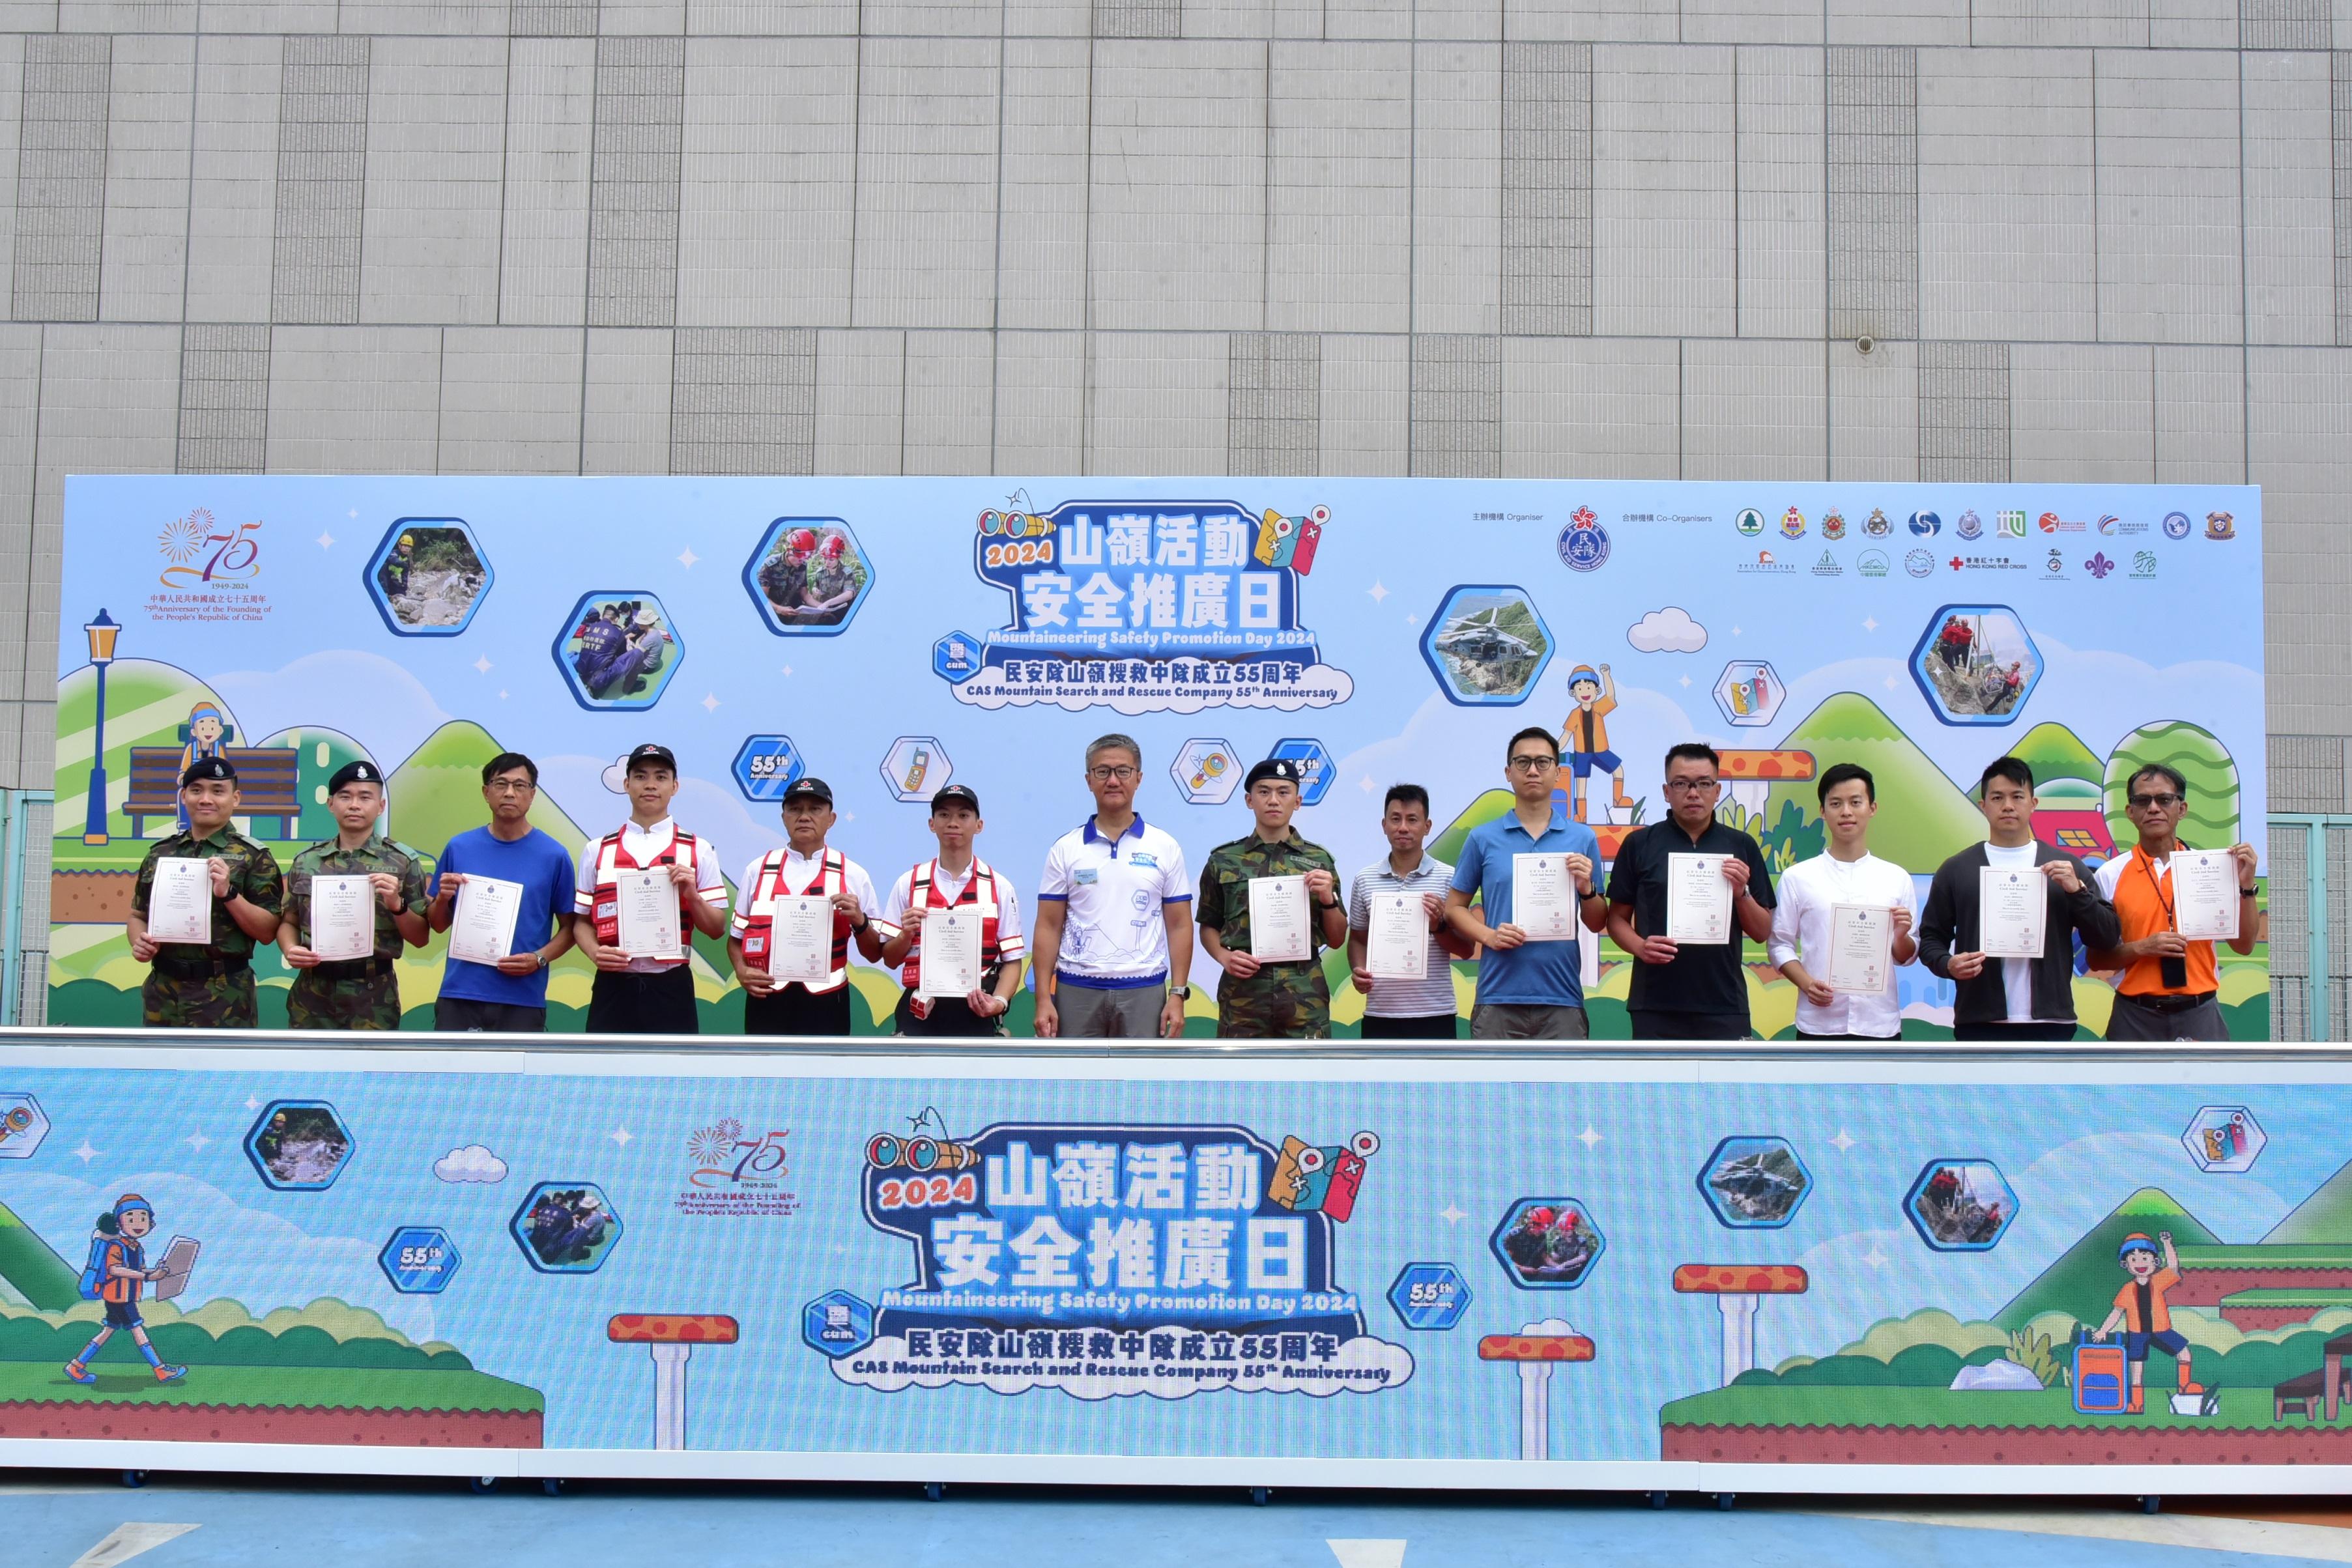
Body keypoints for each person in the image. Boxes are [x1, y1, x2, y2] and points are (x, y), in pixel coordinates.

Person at [1917, 756, 2120, 1041]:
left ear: (2033, 804)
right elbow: (1930, 938)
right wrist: (1948, 964)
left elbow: (2107, 937)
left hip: (2052, 1021)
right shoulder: (1957, 869)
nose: (2008, 806)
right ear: (1983, 806)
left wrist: (2078, 892)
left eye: (2017, 796)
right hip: (1979, 1021)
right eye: (1997, 797)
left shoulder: (2066, 866)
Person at [1441, 731, 1607, 1040]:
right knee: (1493, 1090)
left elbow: (1597, 922)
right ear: (1509, 772)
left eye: (1543, 762)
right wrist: (1488, 936)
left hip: (1562, 997)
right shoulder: (1483, 838)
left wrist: (1587, 889)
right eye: (1523, 762)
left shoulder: (1582, 838)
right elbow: (1454, 908)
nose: (1533, 770)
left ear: (1558, 773)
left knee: (1563, 1090)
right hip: (1498, 996)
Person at [1605, 743, 1777, 1039]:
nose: (1693, 793)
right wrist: (1640, 947)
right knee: (1658, 1088)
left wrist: (1742, 893)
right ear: (1666, 791)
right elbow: (1616, 920)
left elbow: (1762, 931)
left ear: (1718, 790)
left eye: (1704, 784)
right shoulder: (1639, 844)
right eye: (1682, 783)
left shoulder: (1741, 846)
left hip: (1725, 1003)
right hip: (1655, 1003)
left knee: (1724, 1088)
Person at [1032, 734, 1194, 1040]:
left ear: (1139, 779)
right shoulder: (1066, 848)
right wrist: (1043, 997)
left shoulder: (1164, 846)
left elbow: (1180, 925)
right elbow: (1048, 925)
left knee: (1141, 1084)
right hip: (1076, 990)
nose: (1113, 780)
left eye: (1123, 771)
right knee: (1076, 1084)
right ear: (1089, 780)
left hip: (1144, 990)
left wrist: (1178, 993)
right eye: (1102, 771)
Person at [2088, 763, 2261, 1042]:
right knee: (2131, 1088)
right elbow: (2096, 959)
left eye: (2165, 799)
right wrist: (2144, 947)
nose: (2154, 808)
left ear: (2182, 808)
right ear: (2131, 813)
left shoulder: (2212, 868)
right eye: (2143, 801)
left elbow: (2244, 946)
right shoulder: (2111, 874)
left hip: (2200, 1011)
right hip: (2135, 1015)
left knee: (2207, 1088)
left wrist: (2245, 886)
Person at [571, 743, 728, 1034]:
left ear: (675, 786)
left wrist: (692, 895)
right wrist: (595, 952)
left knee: (673, 1076)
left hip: (672, 984)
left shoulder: (698, 849)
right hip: (613, 984)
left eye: (661, 777)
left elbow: (717, 928)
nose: (651, 785)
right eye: (641, 777)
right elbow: (581, 922)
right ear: (627, 784)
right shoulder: (598, 850)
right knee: (606, 1074)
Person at [126, 757, 284, 1029]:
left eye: (217, 791)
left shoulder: (254, 856)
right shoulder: (160, 853)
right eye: (197, 790)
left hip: (226, 994)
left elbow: (268, 931)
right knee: (161, 1068)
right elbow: (137, 915)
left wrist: (229, 894)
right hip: (163, 990)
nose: (206, 799)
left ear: (235, 798)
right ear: (184, 796)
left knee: (224, 1070)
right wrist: (139, 942)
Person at [427, 752, 579, 1033]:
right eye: (501, 784)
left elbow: (572, 928)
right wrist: (443, 898)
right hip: (460, 994)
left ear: (532, 795)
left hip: (522, 997)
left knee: (516, 1078)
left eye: (520, 786)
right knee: (454, 1077)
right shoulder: (459, 847)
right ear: (486, 792)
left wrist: (539, 959)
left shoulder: (555, 855)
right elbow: (437, 925)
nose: (510, 793)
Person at [1196, 758, 1348, 1039]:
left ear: (1298, 801)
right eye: (1264, 792)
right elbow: (1208, 924)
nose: (1273, 800)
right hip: (1243, 996)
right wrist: (1223, 957)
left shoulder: (1318, 860)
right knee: (1241, 1079)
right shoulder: (1224, 860)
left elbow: (1337, 939)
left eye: (1283, 792)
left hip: (1305, 996)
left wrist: (1328, 898)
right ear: (1249, 800)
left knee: (1308, 1079)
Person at [1767, 763, 1919, 1040]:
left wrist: (1901, 935)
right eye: (1836, 803)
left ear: (1872, 808)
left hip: (1879, 1024)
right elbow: (1779, 944)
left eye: (1855, 802)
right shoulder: (1798, 877)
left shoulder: (1896, 878)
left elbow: (1906, 956)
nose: (1846, 812)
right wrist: (1807, 984)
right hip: (1818, 1024)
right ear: (1823, 811)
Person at [277, 761, 431, 1030]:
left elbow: (421, 937)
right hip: (312, 992)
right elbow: (288, 921)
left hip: (373, 995)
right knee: (309, 1070)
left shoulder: (403, 862)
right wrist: (290, 948)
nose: (354, 805)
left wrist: (397, 905)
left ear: (381, 806)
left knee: (370, 1071)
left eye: (365, 797)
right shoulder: (306, 861)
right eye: (345, 796)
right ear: (330, 804)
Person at [728, 777, 885, 1036]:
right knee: (766, 1076)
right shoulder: (758, 870)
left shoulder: (854, 875)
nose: (804, 817)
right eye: (795, 809)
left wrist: (860, 921)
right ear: (783, 818)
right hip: (767, 999)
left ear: (831, 819)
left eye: (815, 809)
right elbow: (736, 940)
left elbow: (875, 953)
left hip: (827, 1002)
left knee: (824, 1076)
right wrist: (741, 970)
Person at [874, 785, 1027, 1036]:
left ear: (979, 825)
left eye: (964, 815)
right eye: (944, 815)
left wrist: (998, 1002)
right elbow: (890, 960)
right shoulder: (908, 883)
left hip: (977, 1007)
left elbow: (1012, 959)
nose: (953, 822)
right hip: (920, 1009)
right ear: (932, 824)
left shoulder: (999, 886)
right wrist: (905, 935)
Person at [1347, 785, 1474, 1038]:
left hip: (1435, 1013)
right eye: (1395, 819)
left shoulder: (1449, 878)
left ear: (1427, 826)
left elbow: (1466, 949)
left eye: (1412, 820)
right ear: (1384, 825)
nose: (1403, 827)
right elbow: (1358, 939)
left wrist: (1438, 925)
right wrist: (1358, 970)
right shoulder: (1365, 879)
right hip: (1380, 1014)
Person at [64, 1195, 185, 1386]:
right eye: (130, 1218)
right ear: (119, 1223)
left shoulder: (136, 1247)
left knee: (107, 1332)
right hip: (119, 1298)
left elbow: (138, 1269)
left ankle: (75, 1366)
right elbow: (115, 1269)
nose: (138, 1223)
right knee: (138, 1330)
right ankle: (160, 1370)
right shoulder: (116, 1246)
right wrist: (147, 1277)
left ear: (151, 1224)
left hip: (126, 1297)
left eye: (143, 1218)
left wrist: (155, 1272)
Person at [2092, 1231, 2198, 1414]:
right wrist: (2103, 1331)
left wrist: (2167, 1243)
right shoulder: (2127, 1289)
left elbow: (2173, 1267)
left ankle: (2185, 1389)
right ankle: (2137, 1404)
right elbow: (2116, 1312)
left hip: (2161, 1330)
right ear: (2126, 1265)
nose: (2140, 1263)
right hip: (2137, 1334)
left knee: (2184, 1353)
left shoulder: (2158, 1282)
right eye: (2133, 1260)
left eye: (2144, 1258)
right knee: (2136, 1370)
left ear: (2155, 1262)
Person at [1559, 664, 1632, 823]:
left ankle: (1618, 800)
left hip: (1601, 751)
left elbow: (1611, 697)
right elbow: (1566, 736)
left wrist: (1606, 675)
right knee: (1581, 784)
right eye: (1579, 689)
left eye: (1588, 687)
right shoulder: (1574, 714)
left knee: (1618, 771)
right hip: (1582, 754)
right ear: (1573, 693)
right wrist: (1552, 751)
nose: (1584, 692)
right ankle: (1582, 815)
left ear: (1596, 691)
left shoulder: (1598, 708)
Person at [379, 530, 414, 599]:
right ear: (400, 545)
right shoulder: (394, 553)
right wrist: (402, 564)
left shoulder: (407, 560)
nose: (407, 548)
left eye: (409, 547)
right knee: (384, 567)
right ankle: (383, 592)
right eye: (405, 546)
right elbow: (394, 561)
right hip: (382, 578)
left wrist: (404, 585)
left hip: (392, 579)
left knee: (401, 593)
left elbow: (405, 574)